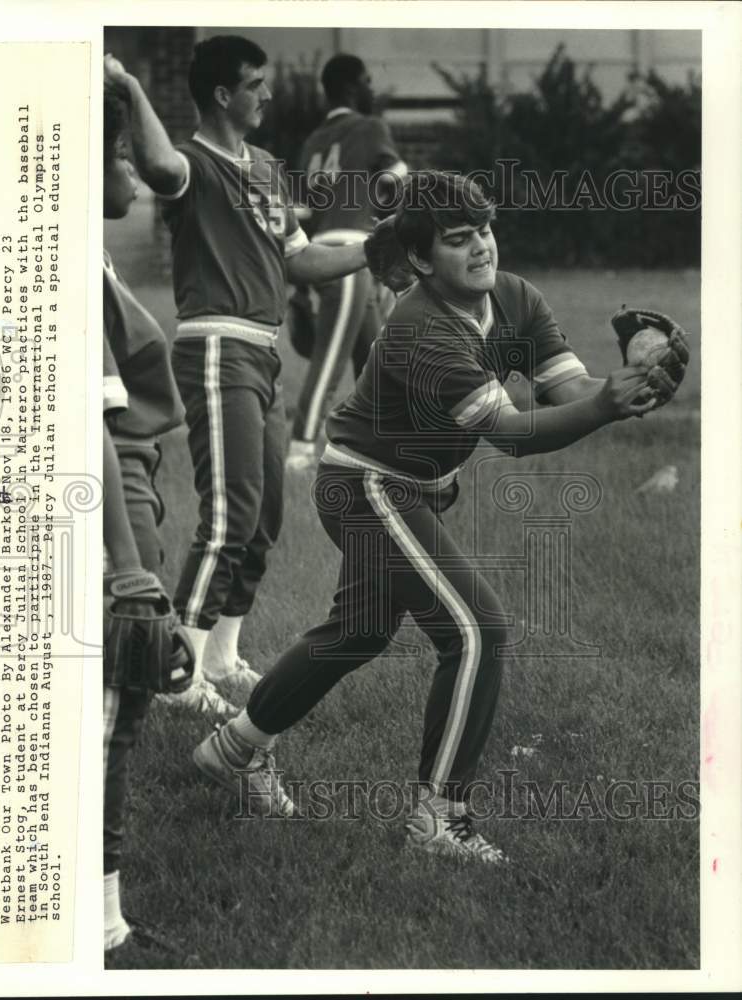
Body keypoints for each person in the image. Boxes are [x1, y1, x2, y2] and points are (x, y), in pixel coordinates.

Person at [191, 171, 687, 860]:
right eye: (459, 240)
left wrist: (630, 381)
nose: (481, 248)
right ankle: (439, 819)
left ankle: (234, 748)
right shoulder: (421, 325)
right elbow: (513, 434)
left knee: (358, 630)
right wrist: (609, 404)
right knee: (477, 628)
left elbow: (567, 387)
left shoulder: (514, 297)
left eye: (484, 230)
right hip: (366, 486)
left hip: (412, 488)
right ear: (422, 259)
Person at [103, 37, 375, 710]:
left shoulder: (266, 168)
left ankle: (221, 656)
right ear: (223, 95)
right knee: (230, 515)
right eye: (257, 83)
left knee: (267, 517)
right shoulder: (192, 163)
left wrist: (384, 242)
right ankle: (179, 673)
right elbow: (159, 166)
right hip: (217, 347)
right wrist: (132, 88)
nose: (269, 94)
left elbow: (303, 261)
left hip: (264, 351)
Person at [102, 90, 208, 958]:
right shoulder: (59, 258)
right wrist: (131, 568)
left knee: (119, 709)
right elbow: (88, 423)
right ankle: (98, 928)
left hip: (133, 487)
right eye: (116, 157)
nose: (133, 172)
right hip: (114, 501)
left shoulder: (91, 257)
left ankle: (101, 913)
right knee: (114, 707)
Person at [287, 53, 407, 470]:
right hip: (355, 252)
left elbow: (302, 212)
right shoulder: (370, 127)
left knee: (374, 358)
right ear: (354, 86)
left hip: (318, 252)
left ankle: (378, 446)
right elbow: (396, 179)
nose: (373, 88)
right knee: (331, 357)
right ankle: (300, 450)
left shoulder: (313, 141)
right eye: (369, 80)